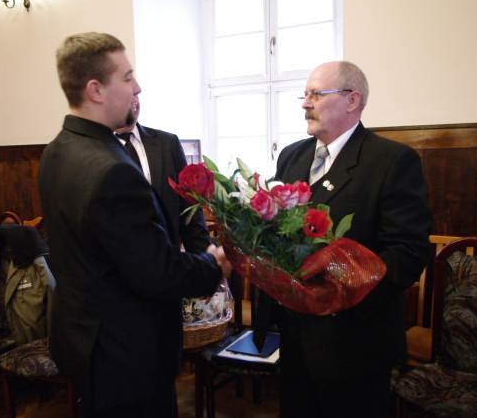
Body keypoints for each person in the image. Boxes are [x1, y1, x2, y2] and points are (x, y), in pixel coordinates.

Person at [37, 32, 230, 418]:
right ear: (95, 90)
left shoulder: (58, 150)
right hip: (126, 352)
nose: (137, 87)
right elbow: (156, 273)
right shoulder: (111, 170)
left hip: (85, 338)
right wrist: (214, 264)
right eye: (126, 77)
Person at [261, 61, 433, 417]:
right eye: (304, 95)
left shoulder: (390, 161)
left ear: (352, 100)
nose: (305, 103)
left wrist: (339, 287)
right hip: (294, 335)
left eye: (315, 94)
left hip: (355, 342)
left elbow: (408, 252)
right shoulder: (292, 155)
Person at [114, 95, 211, 254]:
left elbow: (189, 211)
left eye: (136, 94)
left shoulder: (168, 143)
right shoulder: (93, 151)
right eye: (127, 93)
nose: (134, 99)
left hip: (169, 259)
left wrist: (207, 261)